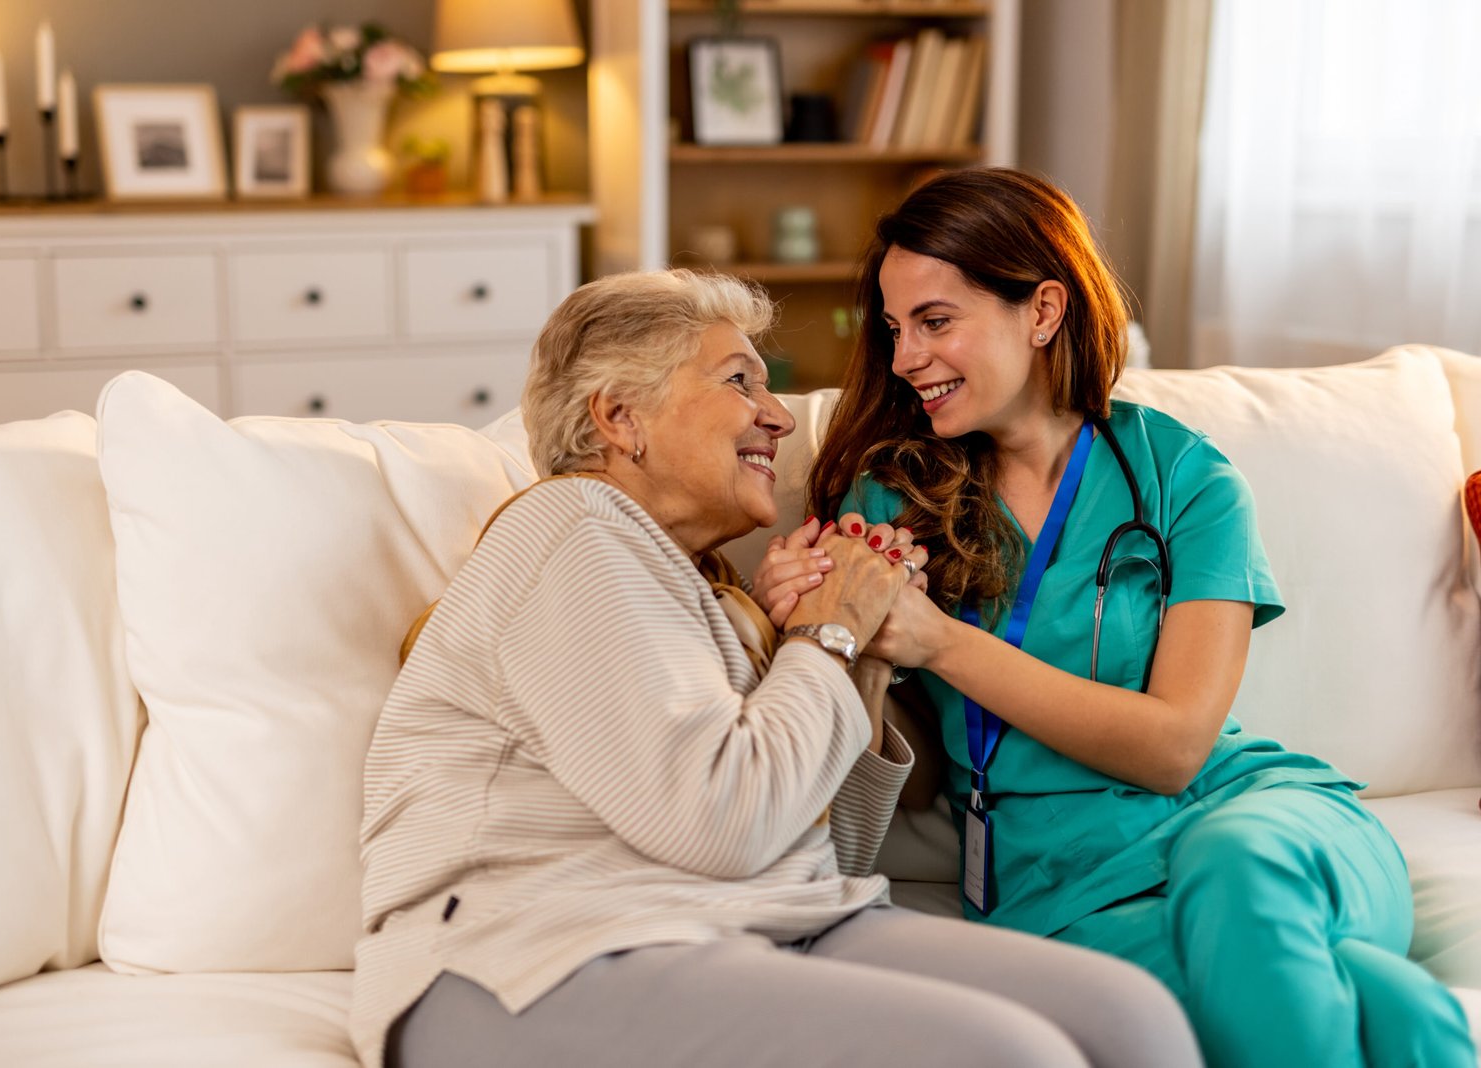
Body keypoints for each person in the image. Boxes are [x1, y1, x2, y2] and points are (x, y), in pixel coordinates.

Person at [351, 268, 1201, 1068]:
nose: (779, 417)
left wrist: (856, 658)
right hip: (534, 950)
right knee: (1012, 1057)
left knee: (1131, 1019)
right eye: (738, 383)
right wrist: (822, 639)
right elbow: (727, 826)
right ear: (619, 417)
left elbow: (835, 851)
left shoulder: (707, 594)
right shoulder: (572, 531)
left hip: (761, 921)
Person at [753, 167, 1476, 1068]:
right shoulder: (896, 499)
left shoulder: (1186, 479)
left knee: (1240, 878)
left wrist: (941, 640)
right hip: (1063, 896)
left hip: (1260, 824)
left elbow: (1174, 746)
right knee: (1351, 1003)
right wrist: (822, 633)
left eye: (936, 321)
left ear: (1043, 311)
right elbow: (920, 778)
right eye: (895, 329)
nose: (904, 358)